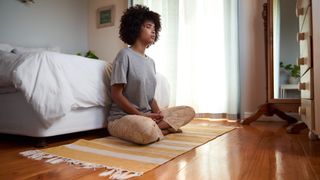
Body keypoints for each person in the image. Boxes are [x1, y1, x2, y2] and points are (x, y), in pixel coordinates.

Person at [107, 5, 195, 145]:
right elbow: (116, 94)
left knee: (188, 111)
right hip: (123, 117)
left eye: (154, 28)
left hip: (147, 116)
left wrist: (159, 114)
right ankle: (163, 130)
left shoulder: (151, 62)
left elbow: (150, 98)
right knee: (145, 128)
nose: (153, 31)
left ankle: (156, 129)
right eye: (148, 27)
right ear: (135, 28)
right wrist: (142, 115)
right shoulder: (124, 55)